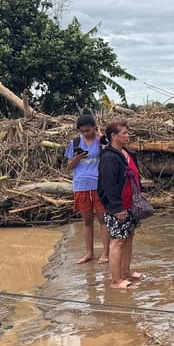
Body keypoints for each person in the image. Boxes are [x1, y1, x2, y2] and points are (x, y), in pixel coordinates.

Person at [98, 119, 143, 289]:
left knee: (128, 237)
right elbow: (108, 184)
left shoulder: (127, 153)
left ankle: (126, 272)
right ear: (113, 136)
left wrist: (141, 191)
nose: (127, 135)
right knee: (117, 241)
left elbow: (134, 176)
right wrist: (117, 207)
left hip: (130, 203)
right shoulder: (109, 157)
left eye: (127, 132)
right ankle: (116, 281)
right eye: (124, 133)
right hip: (118, 206)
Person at [65, 110, 109, 264]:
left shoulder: (101, 141)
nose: (85, 133)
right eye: (82, 131)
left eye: (88, 130)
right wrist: (77, 157)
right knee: (87, 221)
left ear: (94, 127)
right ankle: (89, 253)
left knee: (103, 219)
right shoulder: (75, 143)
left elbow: (108, 154)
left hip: (99, 184)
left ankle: (106, 253)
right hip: (81, 185)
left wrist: (100, 135)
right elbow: (69, 166)